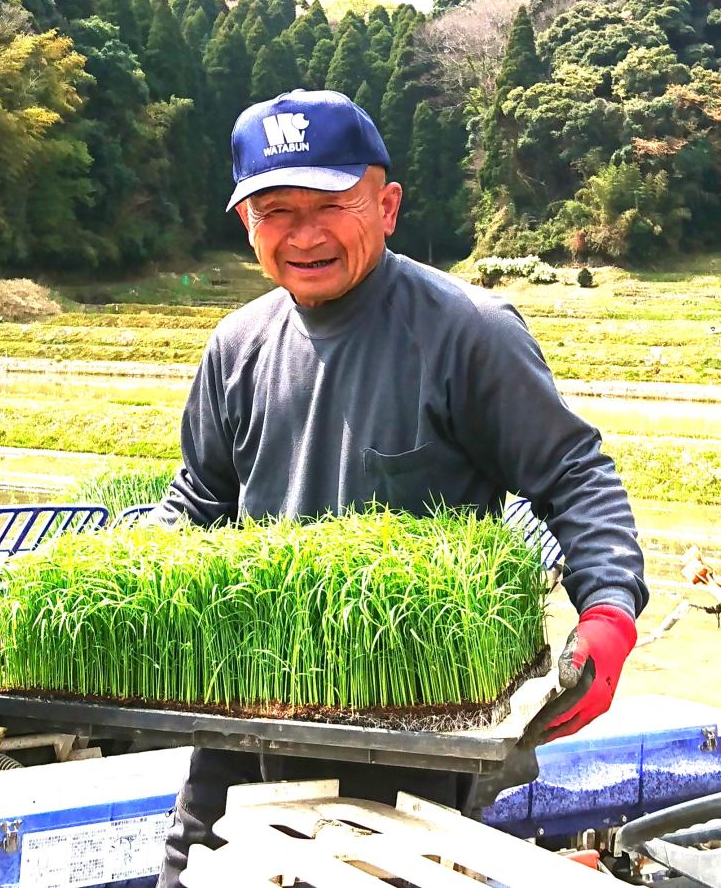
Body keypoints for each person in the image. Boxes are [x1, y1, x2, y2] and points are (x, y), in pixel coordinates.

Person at [150, 89, 647, 887]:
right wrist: (127, 567)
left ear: (385, 205)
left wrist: (610, 614)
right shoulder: (236, 345)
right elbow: (199, 501)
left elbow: (573, 476)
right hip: (241, 720)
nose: (303, 234)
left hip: (410, 733)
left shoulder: (467, 331)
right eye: (276, 210)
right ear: (246, 222)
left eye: (332, 204)